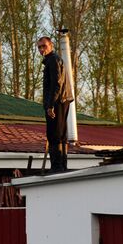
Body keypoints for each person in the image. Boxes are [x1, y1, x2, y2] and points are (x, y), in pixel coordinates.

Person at [37, 36, 74, 172]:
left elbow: (56, 84)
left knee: (54, 134)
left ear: (51, 45)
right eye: (39, 47)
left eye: (44, 46)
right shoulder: (54, 60)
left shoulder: (53, 60)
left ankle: (57, 167)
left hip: (57, 101)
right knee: (60, 134)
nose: (41, 49)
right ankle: (61, 166)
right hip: (62, 100)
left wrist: (50, 105)